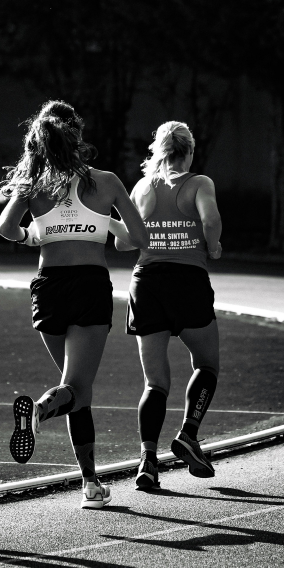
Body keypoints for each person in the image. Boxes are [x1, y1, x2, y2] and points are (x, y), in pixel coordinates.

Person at [0, 100, 148, 508]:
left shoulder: (33, 183)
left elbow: (7, 229)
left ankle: (91, 484)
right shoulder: (106, 181)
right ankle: (42, 409)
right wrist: (108, 225)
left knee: (77, 389)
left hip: (48, 288)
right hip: (88, 286)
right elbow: (139, 239)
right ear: (77, 135)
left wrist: (36, 235)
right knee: (75, 389)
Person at [110, 121, 222, 490]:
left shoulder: (143, 187)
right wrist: (214, 245)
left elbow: (125, 244)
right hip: (188, 281)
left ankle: (147, 461)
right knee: (206, 363)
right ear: (189, 150)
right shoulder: (200, 184)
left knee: (155, 383)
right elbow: (209, 219)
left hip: (147, 285)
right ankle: (189, 433)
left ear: (158, 150)